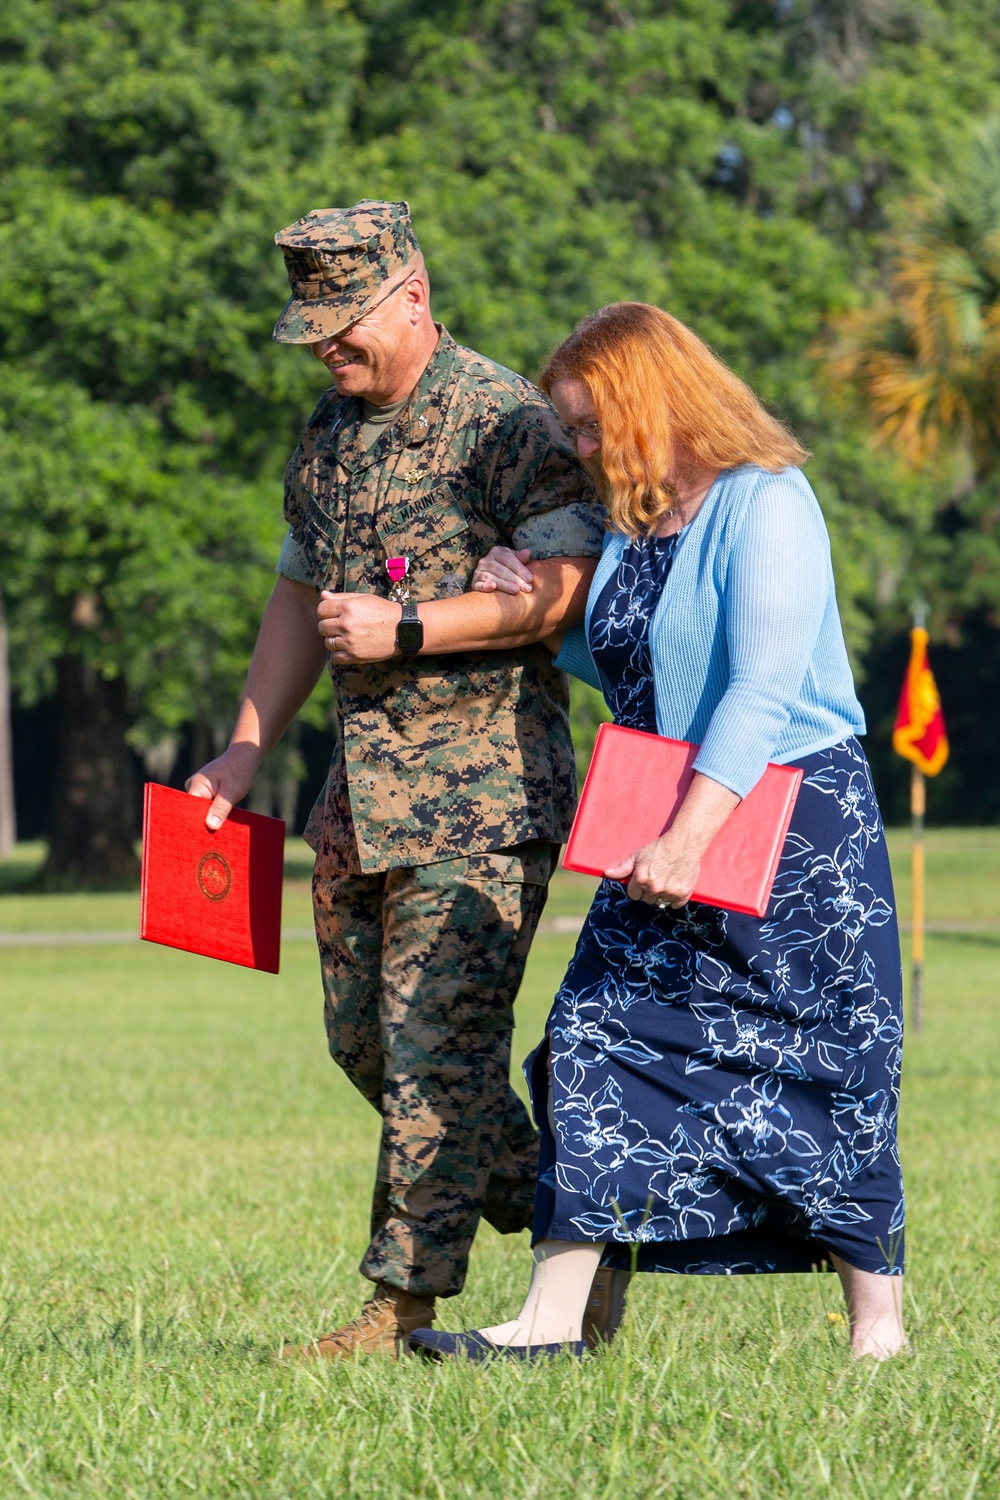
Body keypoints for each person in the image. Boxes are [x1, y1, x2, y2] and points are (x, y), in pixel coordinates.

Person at [410, 302, 907, 1363]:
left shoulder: (767, 501)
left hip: (789, 827)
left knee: (823, 1069)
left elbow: (762, 687)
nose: (579, 450)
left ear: (652, 403)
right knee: (591, 1040)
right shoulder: (641, 524)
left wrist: (690, 837)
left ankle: (879, 1329)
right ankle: (550, 1324)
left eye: (590, 427)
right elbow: (638, 674)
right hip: (662, 811)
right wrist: (546, 622)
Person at [186, 200, 609, 1359]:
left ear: (412, 293)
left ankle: (401, 1305)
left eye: (345, 321)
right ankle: (582, 1227)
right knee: (367, 1046)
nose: (328, 345)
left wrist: (408, 628)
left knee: (436, 1052)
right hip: (355, 796)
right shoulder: (326, 430)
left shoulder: (507, 420)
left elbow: (565, 588)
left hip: (479, 793)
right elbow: (293, 595)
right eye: (312, 325)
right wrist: (246, 743)